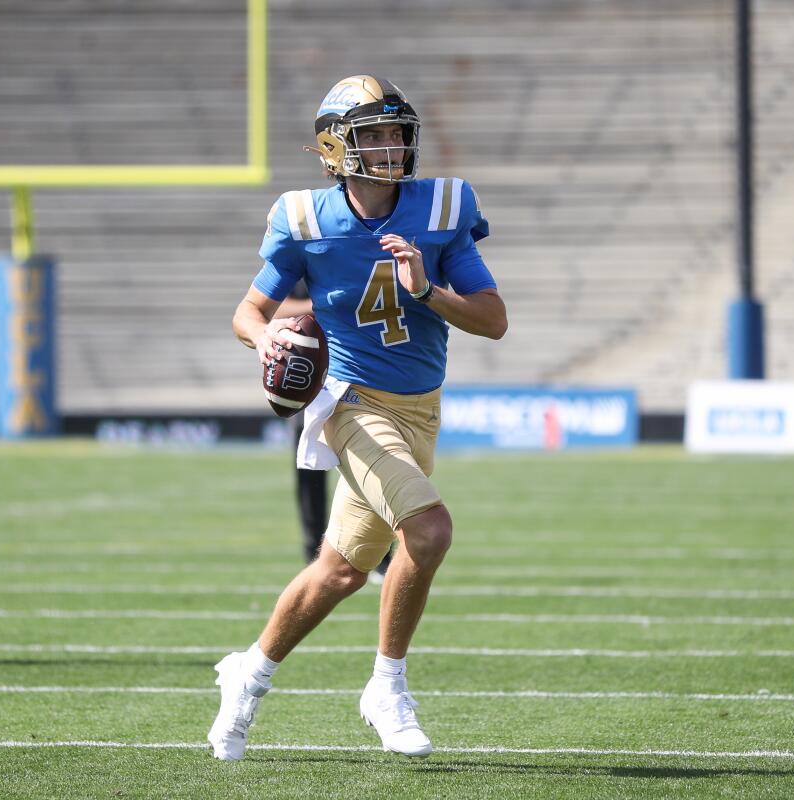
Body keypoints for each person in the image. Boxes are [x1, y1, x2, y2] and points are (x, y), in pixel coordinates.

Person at [210, 76, 507, 760]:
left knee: (341, 571)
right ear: (334, 146)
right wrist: (267, 340)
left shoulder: (439, 210)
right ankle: (387, 686)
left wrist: (427, 290)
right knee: (429, 531)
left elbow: (493, 320)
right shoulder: (306, 218)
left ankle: (247, 675)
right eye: (372, 133)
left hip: (420, 411)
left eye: (396, 131)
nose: (391, 145)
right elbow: (247, 312)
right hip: (350, 402)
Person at [279, 280, 392, 581]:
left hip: (359, 374)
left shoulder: (359, 253)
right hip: (313, 378)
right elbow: (275, 306)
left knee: (373, 466)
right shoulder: (305, 248)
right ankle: (313, 553)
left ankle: (379, 556)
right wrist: (322, 306)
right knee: (309, 472)